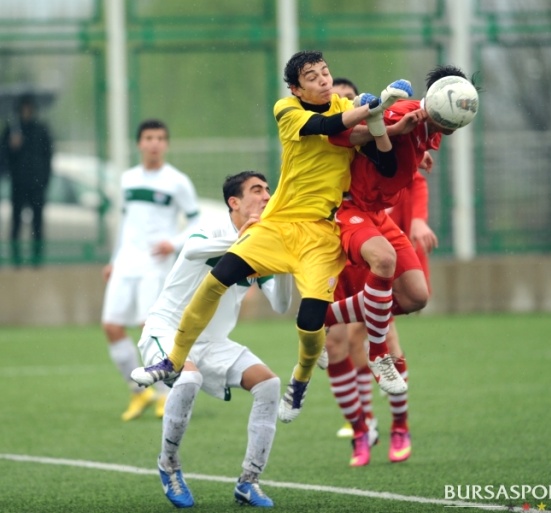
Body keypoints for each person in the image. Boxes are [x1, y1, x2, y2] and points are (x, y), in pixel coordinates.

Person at [130, 50, 413, 422]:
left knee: (310, 323)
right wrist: (376, 108)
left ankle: (300, 381)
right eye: (312, 77)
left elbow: (386, 163)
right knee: (218, 278)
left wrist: (383, 124)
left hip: (320, 235)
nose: (323, 80)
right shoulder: (287, 109)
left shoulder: (347, 107)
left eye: (325, 72)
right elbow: (327, 126)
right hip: (278, 224)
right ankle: (173, 360)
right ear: (296, 89)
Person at [323, 65, 478, 466]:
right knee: (341, 342)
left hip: (376, 220)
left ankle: (324, 318)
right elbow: (349, 135)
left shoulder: (431, 125)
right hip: (344, 218)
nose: (346, 105)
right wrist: (393, 131)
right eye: (339, 101)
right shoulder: (376, 119)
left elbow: (403, 168)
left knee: (416, 298)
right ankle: (362, 431)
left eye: (350, 98)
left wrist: (414, 161)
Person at [137, 170, 291, 508]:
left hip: (214, 343)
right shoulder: (212, 229)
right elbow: (193, 251)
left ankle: (249, 481)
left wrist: (287, 263)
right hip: (168, 330)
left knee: (269, 384)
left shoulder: (263, 247)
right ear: (234, 202)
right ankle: (168, 465)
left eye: (268, 190)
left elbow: (281, 305)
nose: (267, 196)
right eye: (256, 190)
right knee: (188, 378)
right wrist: (245, 242)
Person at [102, 119, 200, 422]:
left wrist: (174, 243)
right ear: (139, 144)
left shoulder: (177, 181)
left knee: (149, 328)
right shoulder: (128, 179)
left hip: (155, 265)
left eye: (159, 138)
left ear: (166, 144)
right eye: (148, 138)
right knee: (111, 326)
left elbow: (196, 221)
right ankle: (138, 391)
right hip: (125, 263)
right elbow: (125, 223)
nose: (154, 143)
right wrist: (114, 259)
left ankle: (164, 393)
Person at [0, 93, 53, 267]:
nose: (26, 111)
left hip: (37, 184)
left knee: (37, 223)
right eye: (24, 108)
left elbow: (48, 156)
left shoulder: (41, 130)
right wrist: (11, 147)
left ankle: (37, 260)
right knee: (16, 222)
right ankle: (16, 260)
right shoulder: (12, 130)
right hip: (18, 183)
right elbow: (3, 157)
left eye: (29, 108)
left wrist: (44, 179)